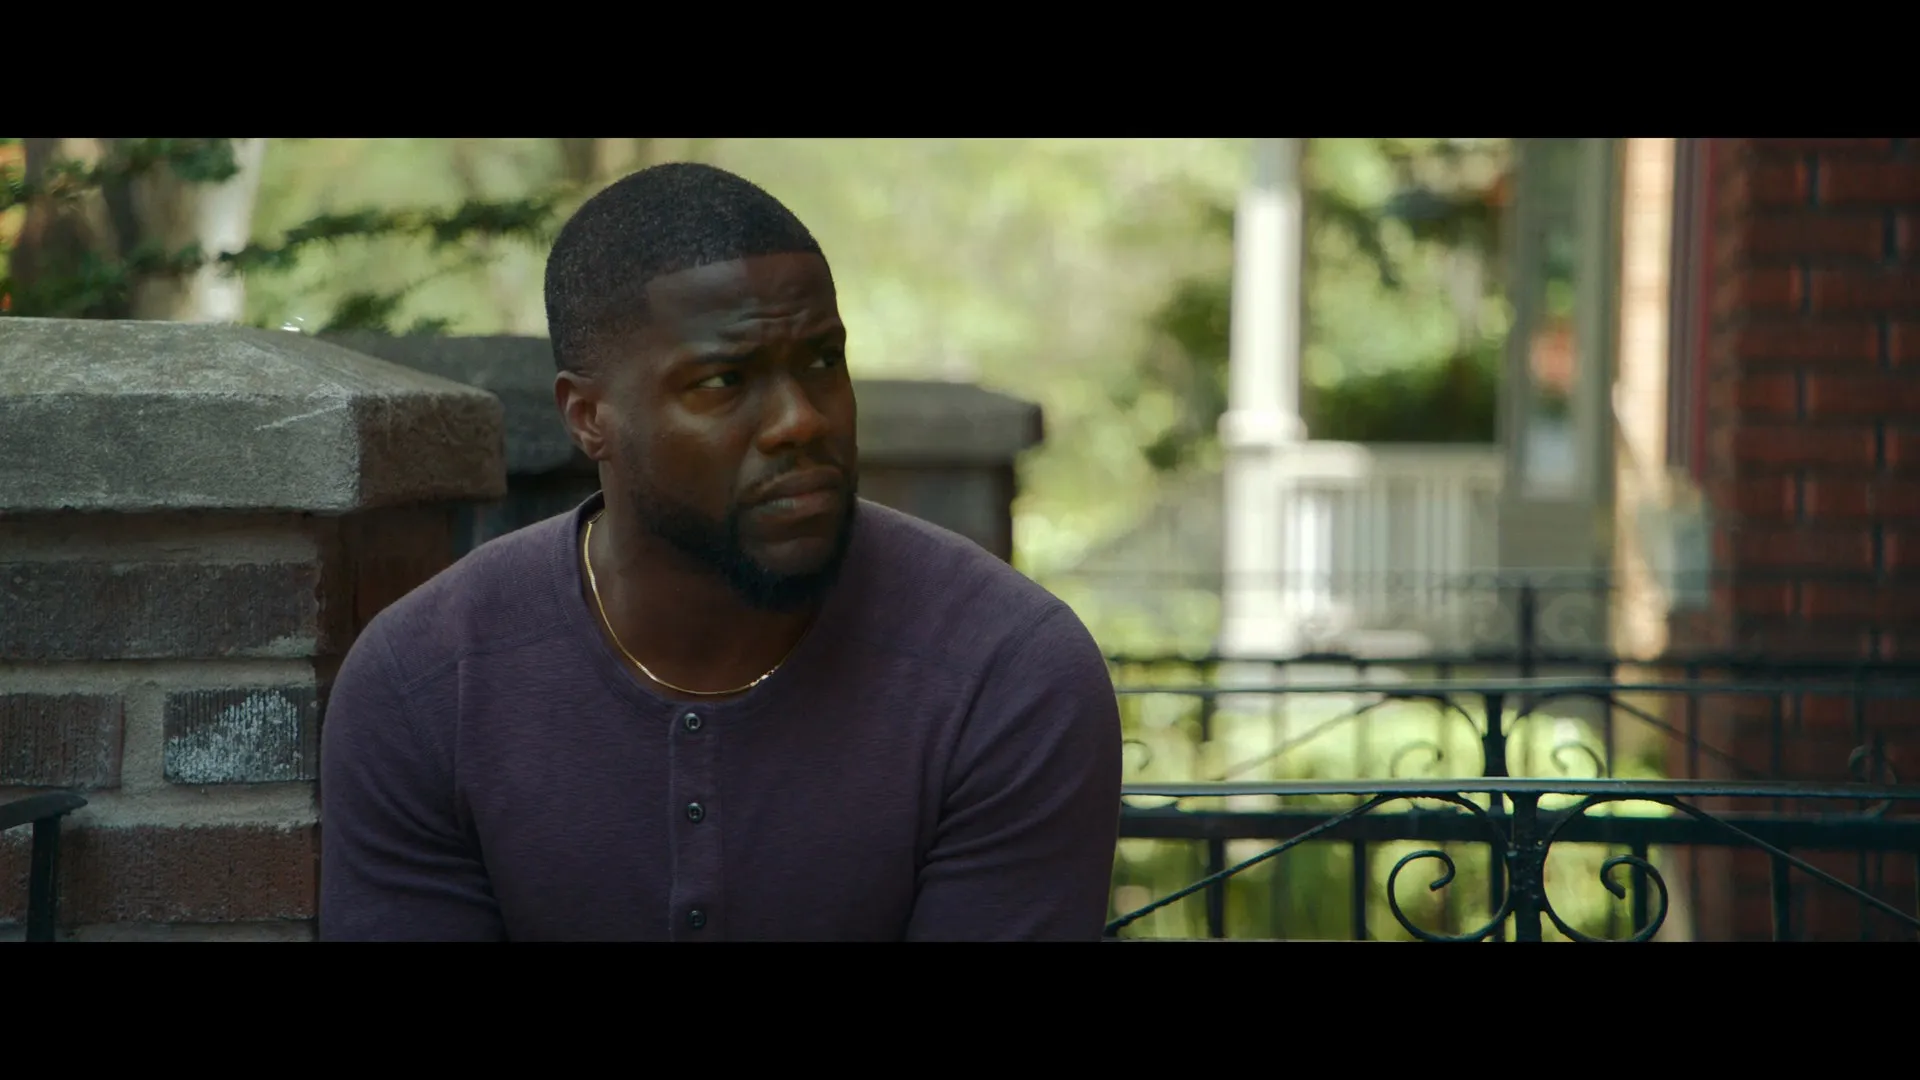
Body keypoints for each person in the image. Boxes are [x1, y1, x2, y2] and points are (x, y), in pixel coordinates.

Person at [317, 162, 1124, 941]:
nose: (800, 420)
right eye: (723, 381)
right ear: (590, 417)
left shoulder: (1006, 675)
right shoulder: (426, 685)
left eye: (822, 361)